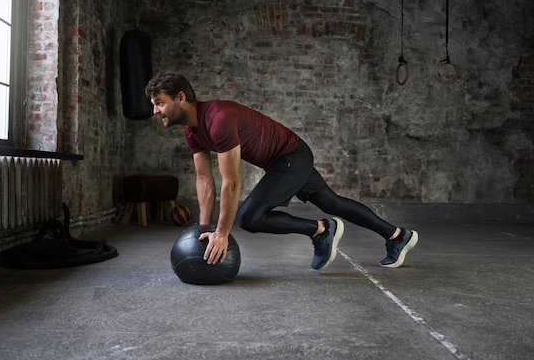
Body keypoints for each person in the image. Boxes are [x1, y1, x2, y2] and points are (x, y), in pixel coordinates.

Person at [145, 72, 418, 270]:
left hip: (291, 156)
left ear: (180, 98)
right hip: (283, 160)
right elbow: (205, 182)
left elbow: (231, 183)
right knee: (330, 201)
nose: (155, 110)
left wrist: (221, 233)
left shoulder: (218, 119)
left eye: (159, 102)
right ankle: (397, 236)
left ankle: (321, 230)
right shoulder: (192, 132)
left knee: (249, 217)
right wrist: (204, 229)